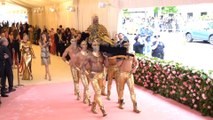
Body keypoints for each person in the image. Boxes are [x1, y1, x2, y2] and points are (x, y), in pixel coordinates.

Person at [82, 40, 107, 117]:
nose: (96, 46)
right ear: (92, 46)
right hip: (93, 76)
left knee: (97, 92)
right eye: (94, 45)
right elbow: (83, 66)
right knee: (98, 91)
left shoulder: (102, 55)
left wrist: (106, 58)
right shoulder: (89, 55)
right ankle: (103, 109)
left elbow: (106, 65)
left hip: (101, 75)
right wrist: (88, 74)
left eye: (97, 45)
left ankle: (93, 106)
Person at [117, 41, 141, 113]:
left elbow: (136, 63)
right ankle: (120, 103)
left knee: (132, 90)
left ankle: (135, 106)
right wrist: (123, 57)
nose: (127, 46)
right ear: (123, 46)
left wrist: (135, 68)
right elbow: (118, 65)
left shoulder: (132, 54)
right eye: (125, 45)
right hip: (121, 74)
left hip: (130, 74)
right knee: (121, 89)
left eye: (128, 45)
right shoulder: (120, 54)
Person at [75, 40, 91, 105]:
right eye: (83, 44)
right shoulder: (78, 54)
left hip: (89, 71)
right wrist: (80, 69)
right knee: (86, 85)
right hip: (82, 72)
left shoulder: (89, 53)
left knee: (87, 86)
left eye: (86, 44)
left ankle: (85, 98)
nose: (85, 46)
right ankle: (89, 100)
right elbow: (75, 65)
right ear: (81, 46)